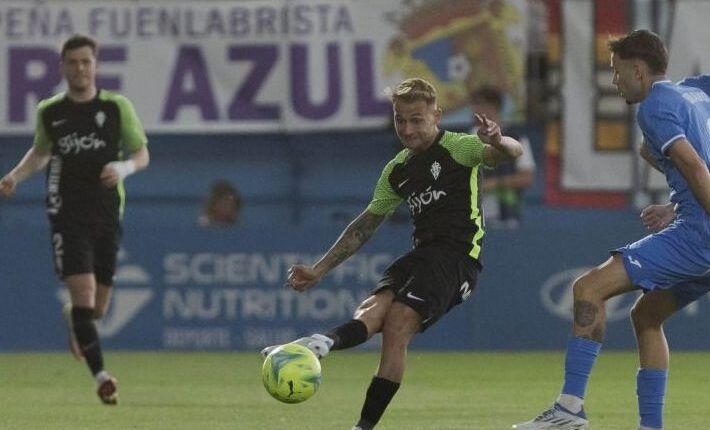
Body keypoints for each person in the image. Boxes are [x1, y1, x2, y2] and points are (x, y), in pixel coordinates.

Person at [262, 77, 522, 429]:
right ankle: (321, 342)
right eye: (401, 120)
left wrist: (497, 139)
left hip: (458, 258)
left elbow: (511, 153)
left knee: (398, 325)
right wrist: (319, 270)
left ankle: (362, 423)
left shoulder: (459, 148)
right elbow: (364, 226)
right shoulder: (397, 170)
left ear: (437, 116)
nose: (408, 128)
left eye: (417, 119)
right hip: (422, 254)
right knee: (373, 310)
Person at [512, 30, 710, 430]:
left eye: (617, 72)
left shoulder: (654, 106)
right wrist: (676, 206)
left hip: (699, 235)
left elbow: (692, 165)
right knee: (646, 316)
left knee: (588, 289)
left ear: (639, 69)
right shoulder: (696, 92)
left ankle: (569, 409)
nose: (615, 81)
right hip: (696, 225)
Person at [0, 34, 149, 405]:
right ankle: (101, 377)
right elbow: (40, 153)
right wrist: (14, 177)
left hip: (107, 213)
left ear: (96, 65)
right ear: (63, 67)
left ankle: (74, 318)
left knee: (95, 309)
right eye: (73, 62)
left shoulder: (116, 108)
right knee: (83, 295)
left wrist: (124, 167)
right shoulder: (51, 111)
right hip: (66, 213)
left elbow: (142, 153)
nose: (80, 68)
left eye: (86, 61)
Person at [470, 86, 536, 228]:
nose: (474, 109)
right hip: (469, 217)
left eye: (479, 104)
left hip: (506, 217)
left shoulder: (516, 138)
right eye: (473, 104)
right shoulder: (462, 139)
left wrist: (492, 184)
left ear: (493, 107)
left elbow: (526, 178)